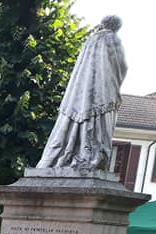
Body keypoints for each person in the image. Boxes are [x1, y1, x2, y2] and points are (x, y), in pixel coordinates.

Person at [37, 16, 127, 172]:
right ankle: (89, 155)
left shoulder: (90, 41)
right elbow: (121, 66)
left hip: (79, 91)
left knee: (77, 121)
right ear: (116, 27)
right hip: (102, 90)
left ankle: (67, 154)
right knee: (98, 121)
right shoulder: (113, 39)